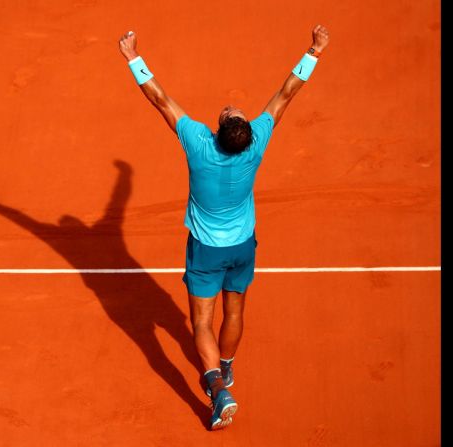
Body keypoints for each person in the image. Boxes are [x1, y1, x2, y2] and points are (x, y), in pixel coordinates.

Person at [118, 25, 330, 430]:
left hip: (205, 250)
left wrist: (132, 58)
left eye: (231, 114)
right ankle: (227, 368)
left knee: (201, 323)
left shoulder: (198, 142)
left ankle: (217, 387)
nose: (234, 109)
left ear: (220, 129)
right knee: (235, 308)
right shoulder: (257, 142)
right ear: (246, 135)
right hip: (242, 247)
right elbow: (287, 93)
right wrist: (314, 51)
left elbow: (160, 100)